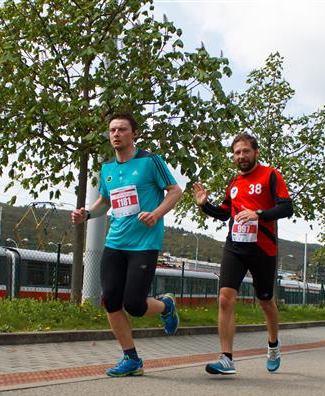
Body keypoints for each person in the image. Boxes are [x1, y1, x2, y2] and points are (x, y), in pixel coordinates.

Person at [71, 112, 182, 377]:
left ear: (134, 134)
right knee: (110, 300)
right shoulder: (108, 169)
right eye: (112, 130)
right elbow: (105, 202)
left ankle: (166, 306)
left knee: (134, 305)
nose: (116, 134)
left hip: (144, 243)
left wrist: (156, 214)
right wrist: (87, 214)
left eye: (122, 129)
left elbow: (175, 191)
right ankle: (131, 358)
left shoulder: (150, 161)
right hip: (115, 243)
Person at [192, 133, 293, 375]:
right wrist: (205, 205)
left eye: (246, 151)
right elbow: (225, 213)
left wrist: (258, 213)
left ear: (256, 152)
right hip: (235, 247)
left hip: (263, 249)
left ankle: (273, 345)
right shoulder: (234, 183)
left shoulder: (270, 175)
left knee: (265, 301)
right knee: (225, 298)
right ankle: (226, 358)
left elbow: (286, 208)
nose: (241, 156)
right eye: (237, 152)